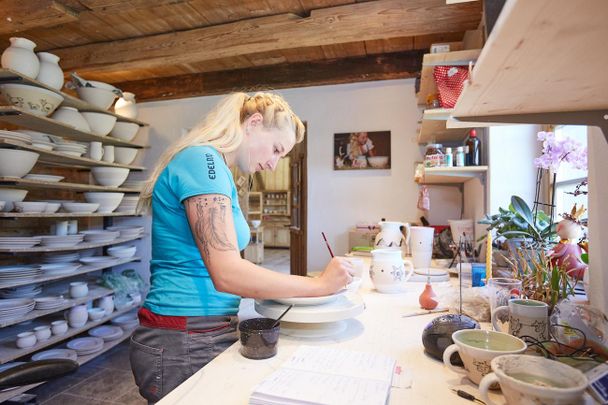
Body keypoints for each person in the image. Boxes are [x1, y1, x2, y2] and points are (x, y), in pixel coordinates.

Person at [130, 92, 353, 403]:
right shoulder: (202, 160)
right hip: (182, 335)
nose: (274, 162)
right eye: (276, 149)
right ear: (254, 123)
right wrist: (318, 285)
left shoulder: (217, 168)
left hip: (201, 329)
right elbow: (227, 273)